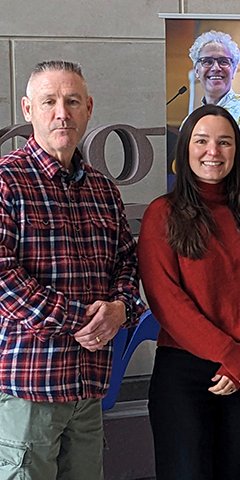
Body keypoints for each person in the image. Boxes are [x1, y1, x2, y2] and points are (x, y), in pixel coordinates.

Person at [0, 60, 146, 479]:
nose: (61, 113)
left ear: (89, 108)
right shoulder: (7, 181)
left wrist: (120, 309)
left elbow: (126, 262)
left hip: (88, 386)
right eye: (49, 102)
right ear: (28, 109)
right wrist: (78, 319)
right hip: (30, 386)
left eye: (72, 101)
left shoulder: (103, 190)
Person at [138, 104, 240, 480]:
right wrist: (229, 354)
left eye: (224, 142)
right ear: (185, 148)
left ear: (237, 151)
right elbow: (166, 301)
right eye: (201, 141)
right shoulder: (162, 214)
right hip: (184, 376)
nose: (213, 151)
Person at [189, 30, 240, 160]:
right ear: (197, 71)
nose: (216, 68)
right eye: (207, 61)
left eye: (223, 61)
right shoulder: (189, 120)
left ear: (234, 70)